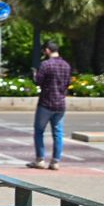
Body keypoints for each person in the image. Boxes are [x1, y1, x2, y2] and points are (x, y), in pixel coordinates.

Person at [30, 40, 72, 171]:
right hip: (60, 103)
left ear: (47, 50)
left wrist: (34, 74)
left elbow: (38, 81)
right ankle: (55, 161)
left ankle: (40, 159)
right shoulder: (66, 65)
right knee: (58, 133)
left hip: (46, 103)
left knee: (39, 131)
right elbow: (67, 84)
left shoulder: (46, 65)